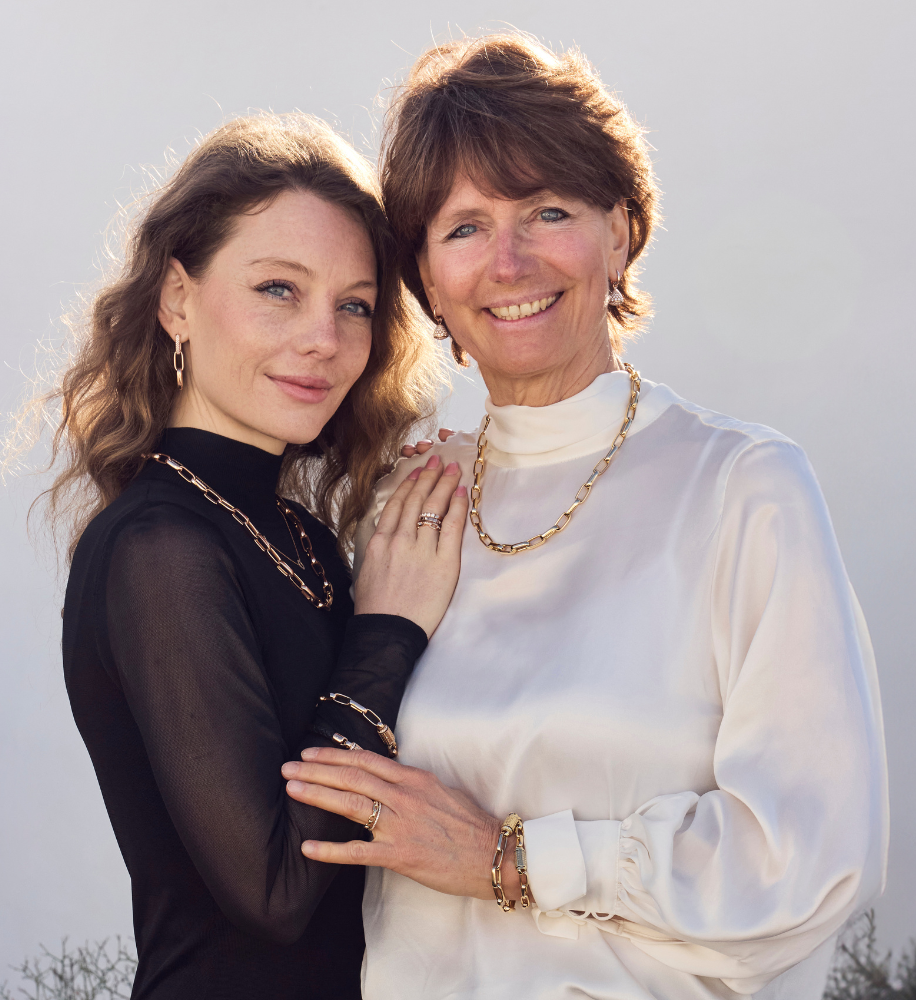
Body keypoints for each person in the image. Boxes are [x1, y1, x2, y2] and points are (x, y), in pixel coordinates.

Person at [281, 35, 889, 1000]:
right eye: (464, 228)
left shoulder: (743, 487)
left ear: (622, 231)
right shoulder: (399, 510)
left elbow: (805, 860)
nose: (508, 260)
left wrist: (509, 859)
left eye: (548, 211)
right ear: (426, 279)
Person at [47, 114, 468, 998]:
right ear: (177, 300)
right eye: (279, 288)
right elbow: (275, 893)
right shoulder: (157, 548)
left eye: (355, 305)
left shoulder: (303, 539)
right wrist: (388, 629)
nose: (324, 338)